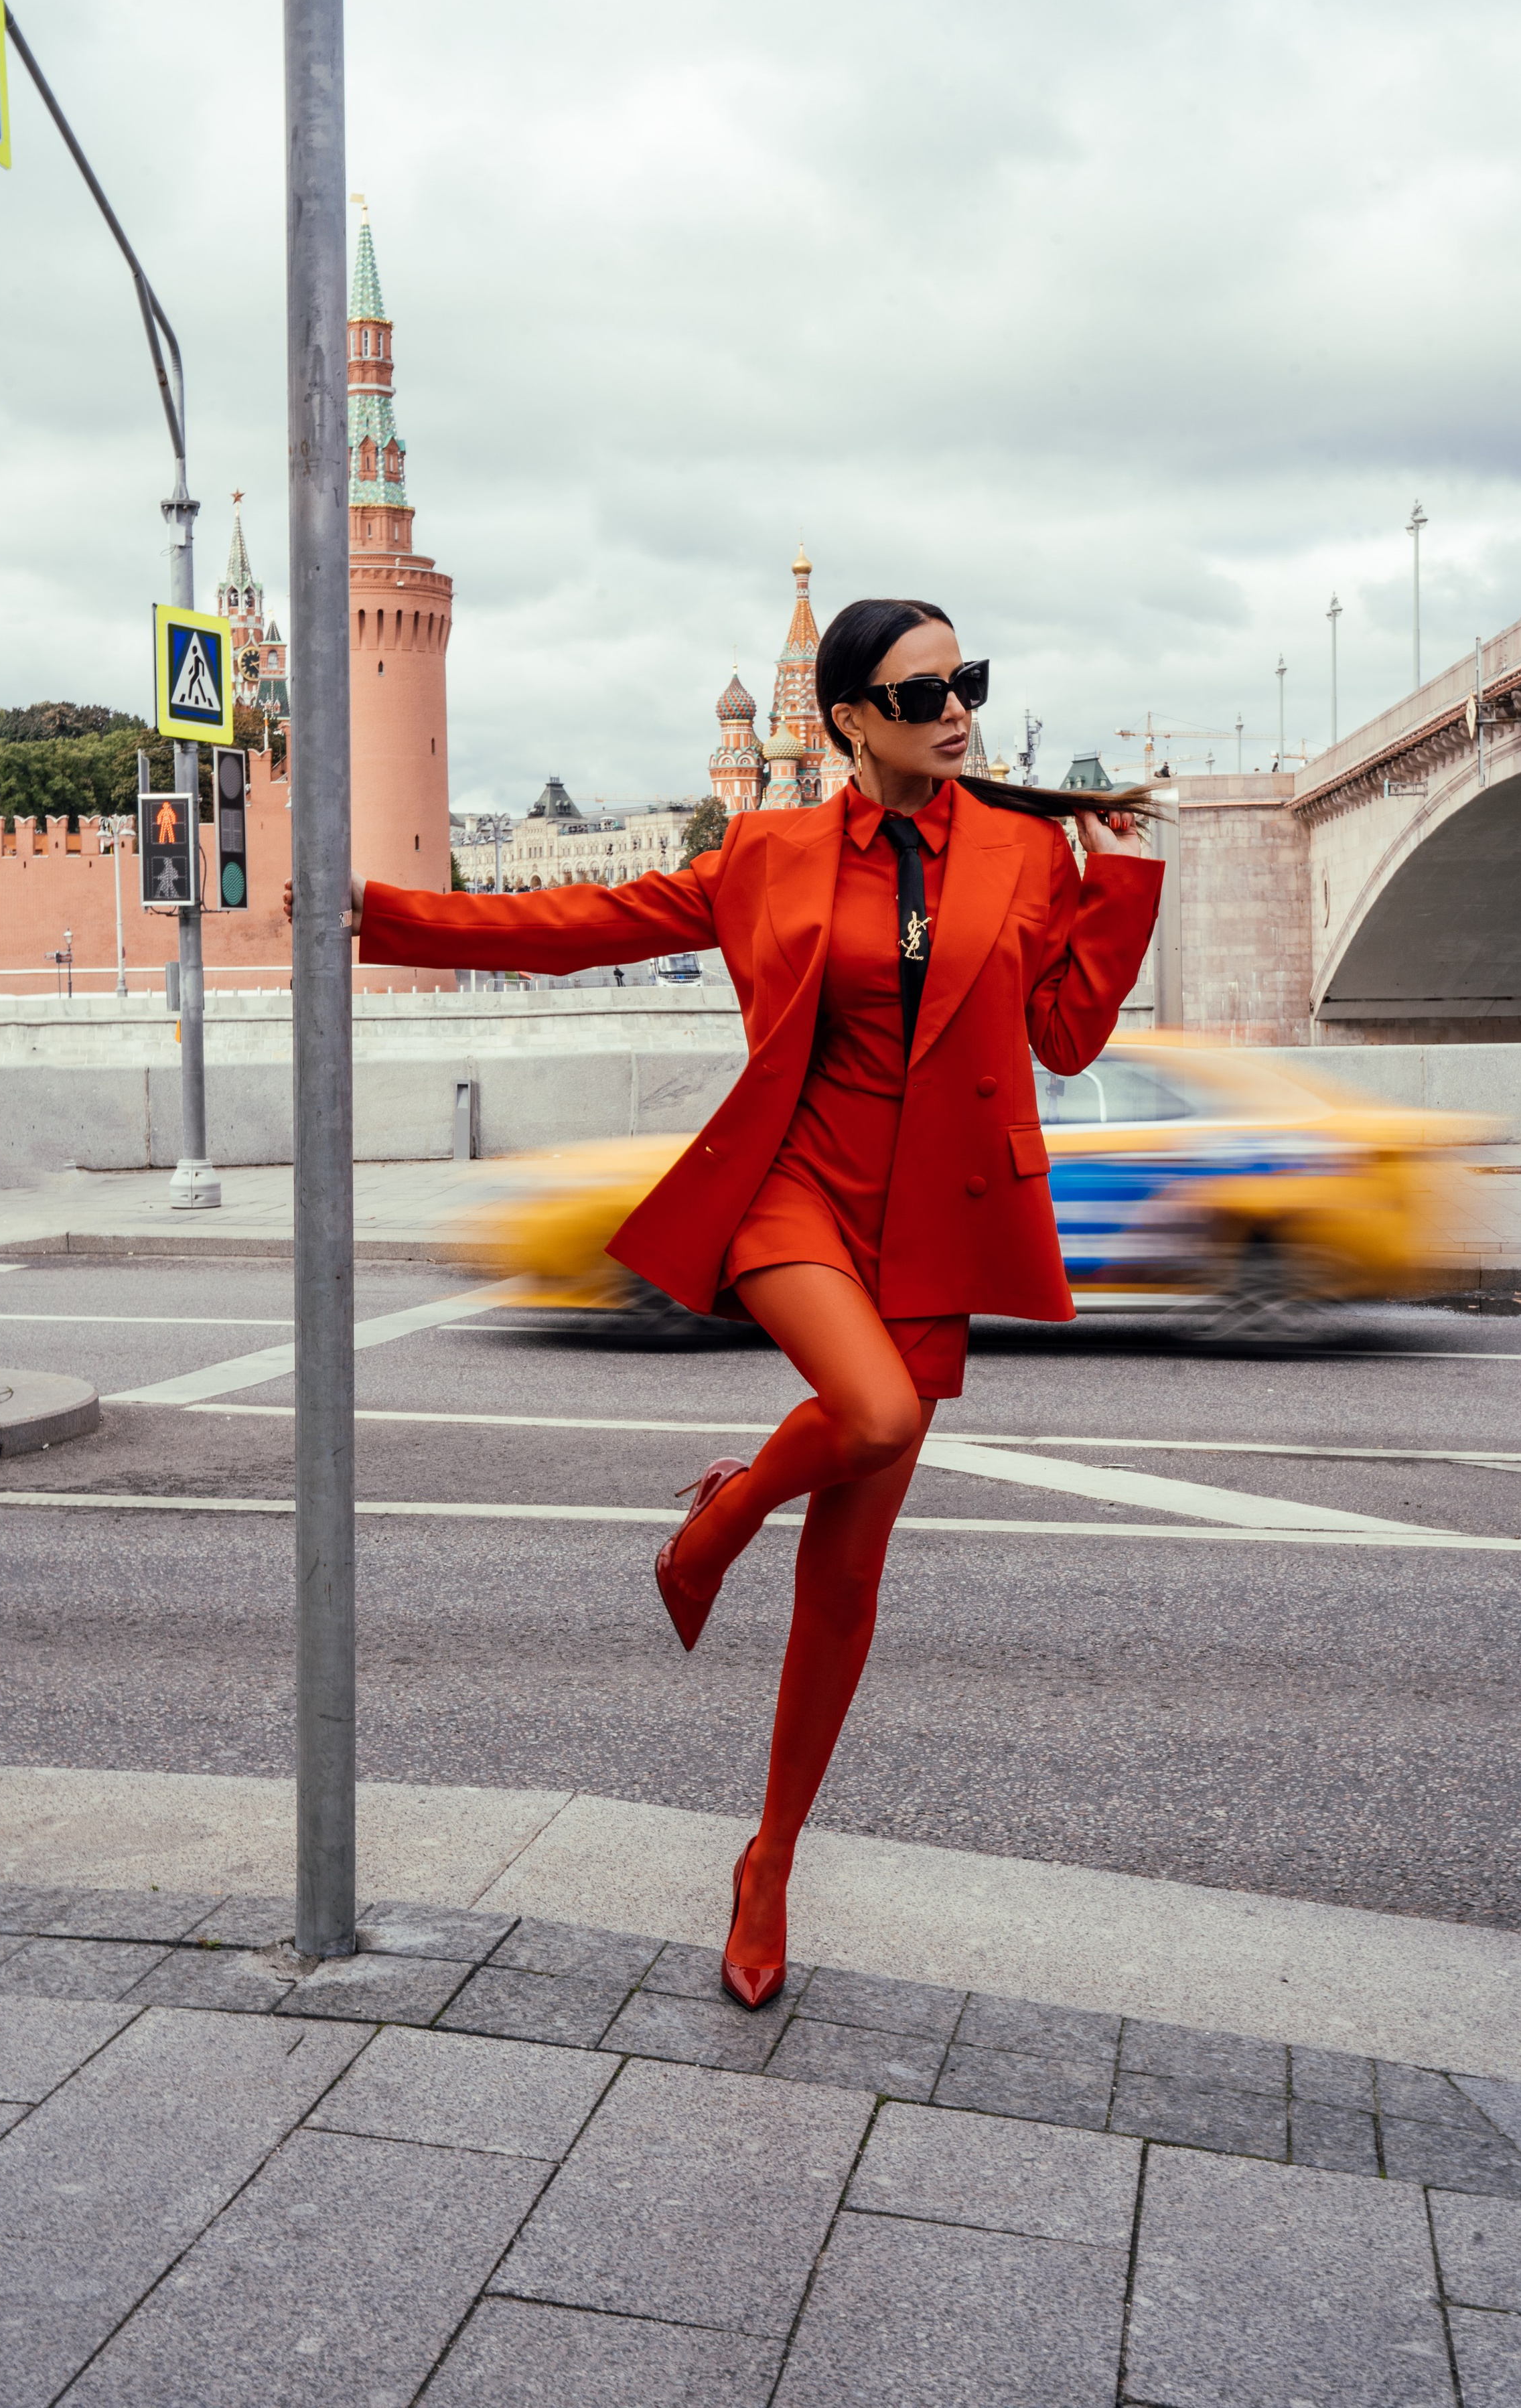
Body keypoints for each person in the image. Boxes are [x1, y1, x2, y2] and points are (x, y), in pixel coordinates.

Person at [284, 597, 1161, 2007]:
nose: (956, 709)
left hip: (939, 1220)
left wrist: (1120, 888)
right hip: (792, 1189)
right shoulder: (767, 847)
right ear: (845, 723)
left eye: (967, 682)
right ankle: (732, 1506)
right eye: (923, 690)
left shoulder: (1024, 852)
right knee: (868, 1414)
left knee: (851, 1581)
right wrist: (380, 915)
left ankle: (769, 1863)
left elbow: (1062, 1037)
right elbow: (578, 925)